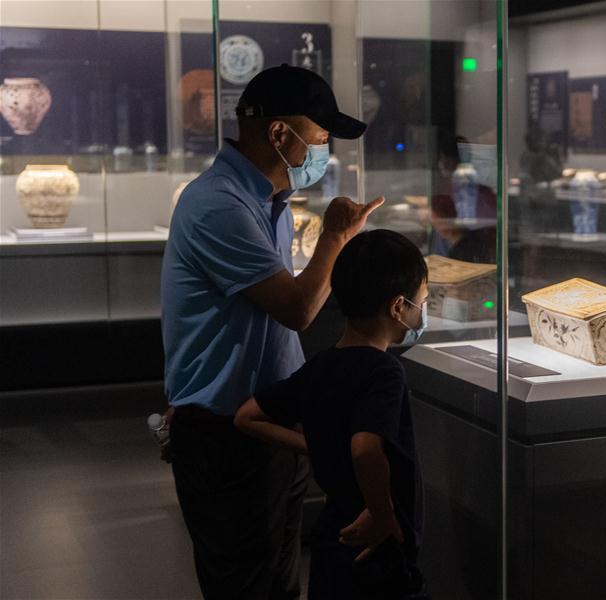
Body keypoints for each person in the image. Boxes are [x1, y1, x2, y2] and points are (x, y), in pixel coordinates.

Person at [160, 65, 383, 599]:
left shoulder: (267, 202)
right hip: (227, 438)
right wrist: (336, 237)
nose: (324, 151)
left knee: (278, 583)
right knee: (247, 585)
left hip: (262, 426)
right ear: (280, 134)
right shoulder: (219, 205)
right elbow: (298, 308)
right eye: (320, 137)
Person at [234, 229, 429, 600]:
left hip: (331, 541)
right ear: (398, 307)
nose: (423, 311)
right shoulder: (384, 371)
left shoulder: (321, 365)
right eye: (422, 300)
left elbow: (247, 417)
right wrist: (383, 513)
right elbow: (366, 449)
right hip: (374, 550)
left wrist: (318, 444)